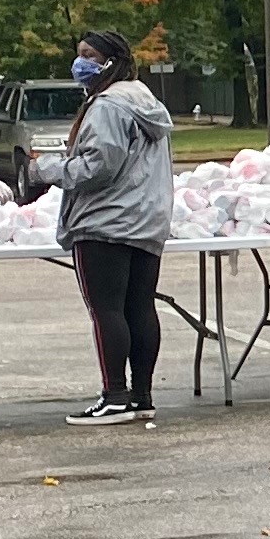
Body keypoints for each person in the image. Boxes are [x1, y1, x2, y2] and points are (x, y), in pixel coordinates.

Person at [57, 28, 176, 426]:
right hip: (146, 220)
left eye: (89, 55)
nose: (81, 63)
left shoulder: (107, 106)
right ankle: (141, 395)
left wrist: (50, 169)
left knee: (107, 308)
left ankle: (115, 396)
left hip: (105, 222)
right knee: (139, 306)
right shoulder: (145, 100)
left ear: (111, 60)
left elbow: (98, 166)